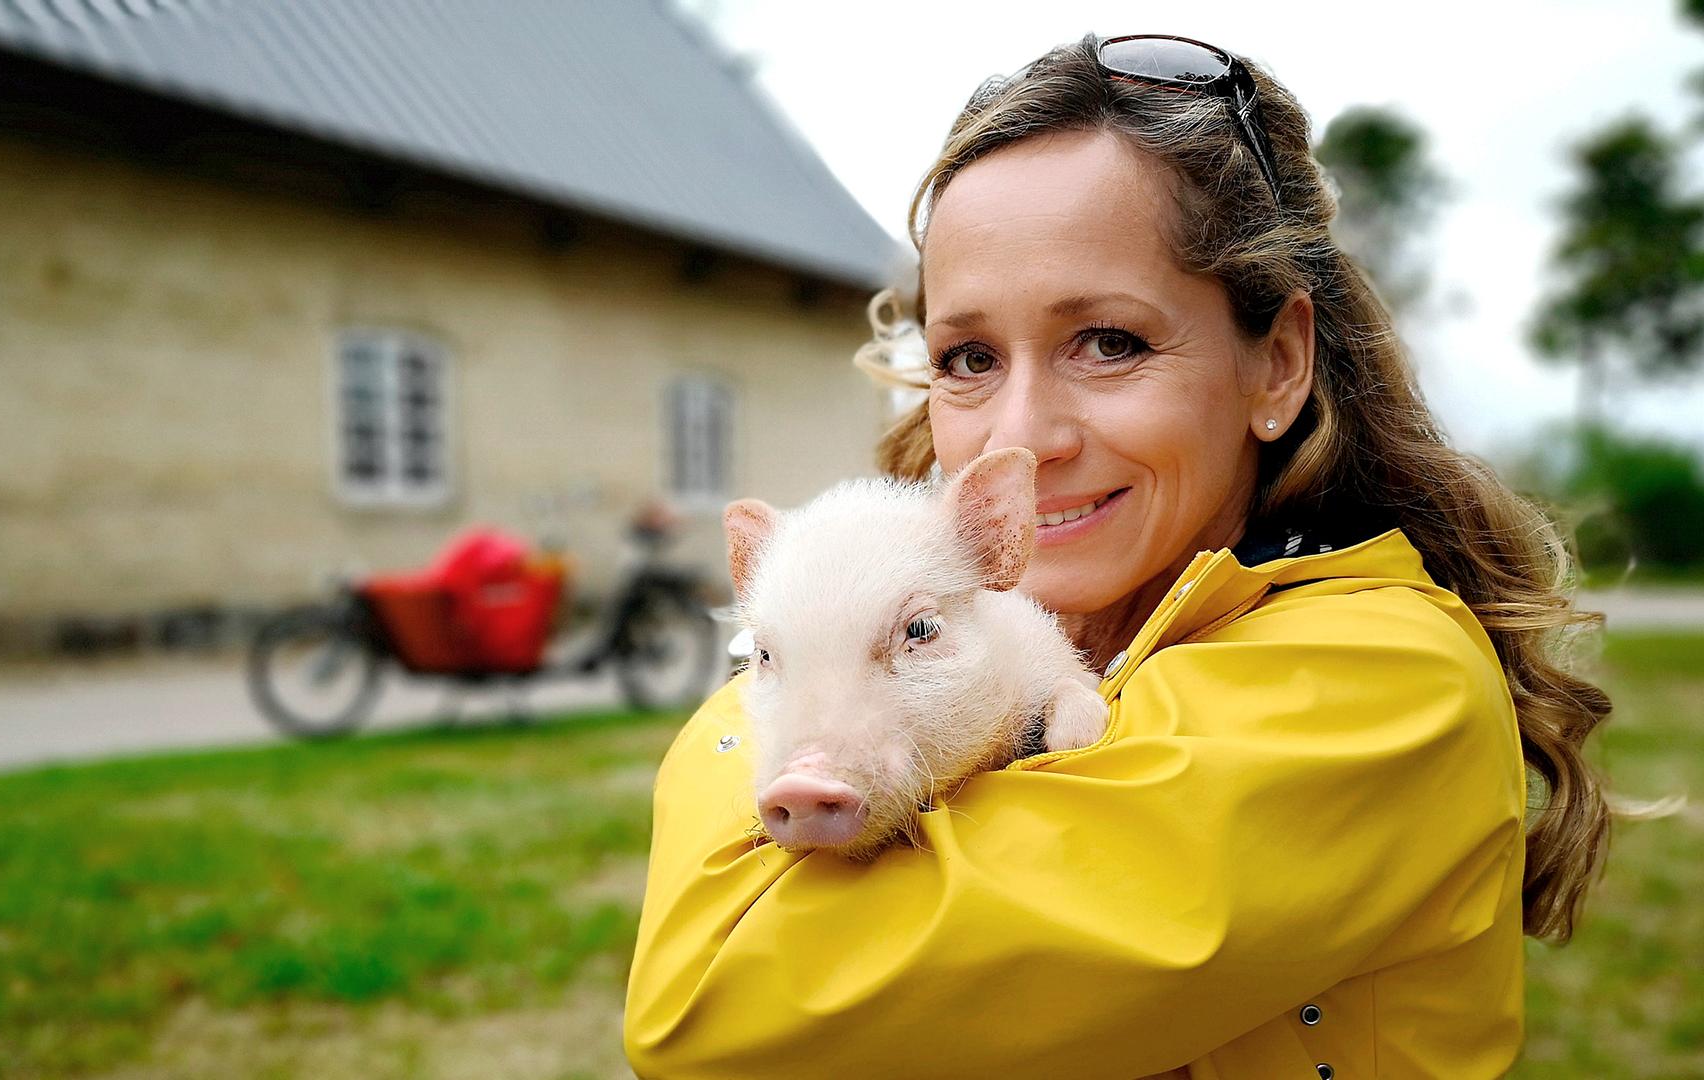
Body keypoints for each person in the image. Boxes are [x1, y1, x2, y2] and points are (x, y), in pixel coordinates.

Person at [624, 34, 1613, 1079]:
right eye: (969, 357)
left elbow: (714, 1008)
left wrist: (794, 659)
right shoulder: (1005, 640)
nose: (1025, 434)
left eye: (1109, 341)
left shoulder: (1379, 686)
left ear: (1277, 364)